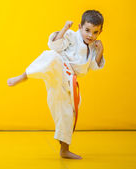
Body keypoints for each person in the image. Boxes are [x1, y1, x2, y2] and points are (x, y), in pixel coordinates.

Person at [7, 10, 105, 160]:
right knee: (51, 55)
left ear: (100, 32)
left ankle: (64, 150)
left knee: (66, 114)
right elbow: (55, 45)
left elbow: (94, 66)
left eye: (95, 32)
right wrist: (65, 28)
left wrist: (100, 50)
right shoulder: (72, 36)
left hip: (68, 82)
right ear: (80, 27)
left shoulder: (92, 47)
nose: (90, 35)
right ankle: (24, 76)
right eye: (87, 30)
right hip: (58, 67)